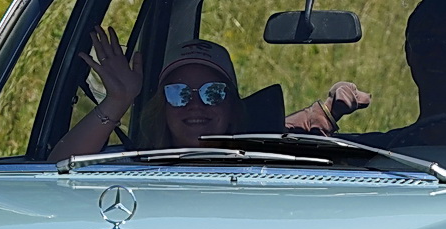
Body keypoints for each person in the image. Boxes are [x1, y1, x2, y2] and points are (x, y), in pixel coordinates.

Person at [48, 28, 369, 160]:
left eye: (213, 92)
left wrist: (324, 115)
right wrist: (117, 100)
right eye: (178, 93)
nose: (196, 104)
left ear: (233, 105)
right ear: (162, 107)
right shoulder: (136, 165)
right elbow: (57, 173)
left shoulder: (268, 165)